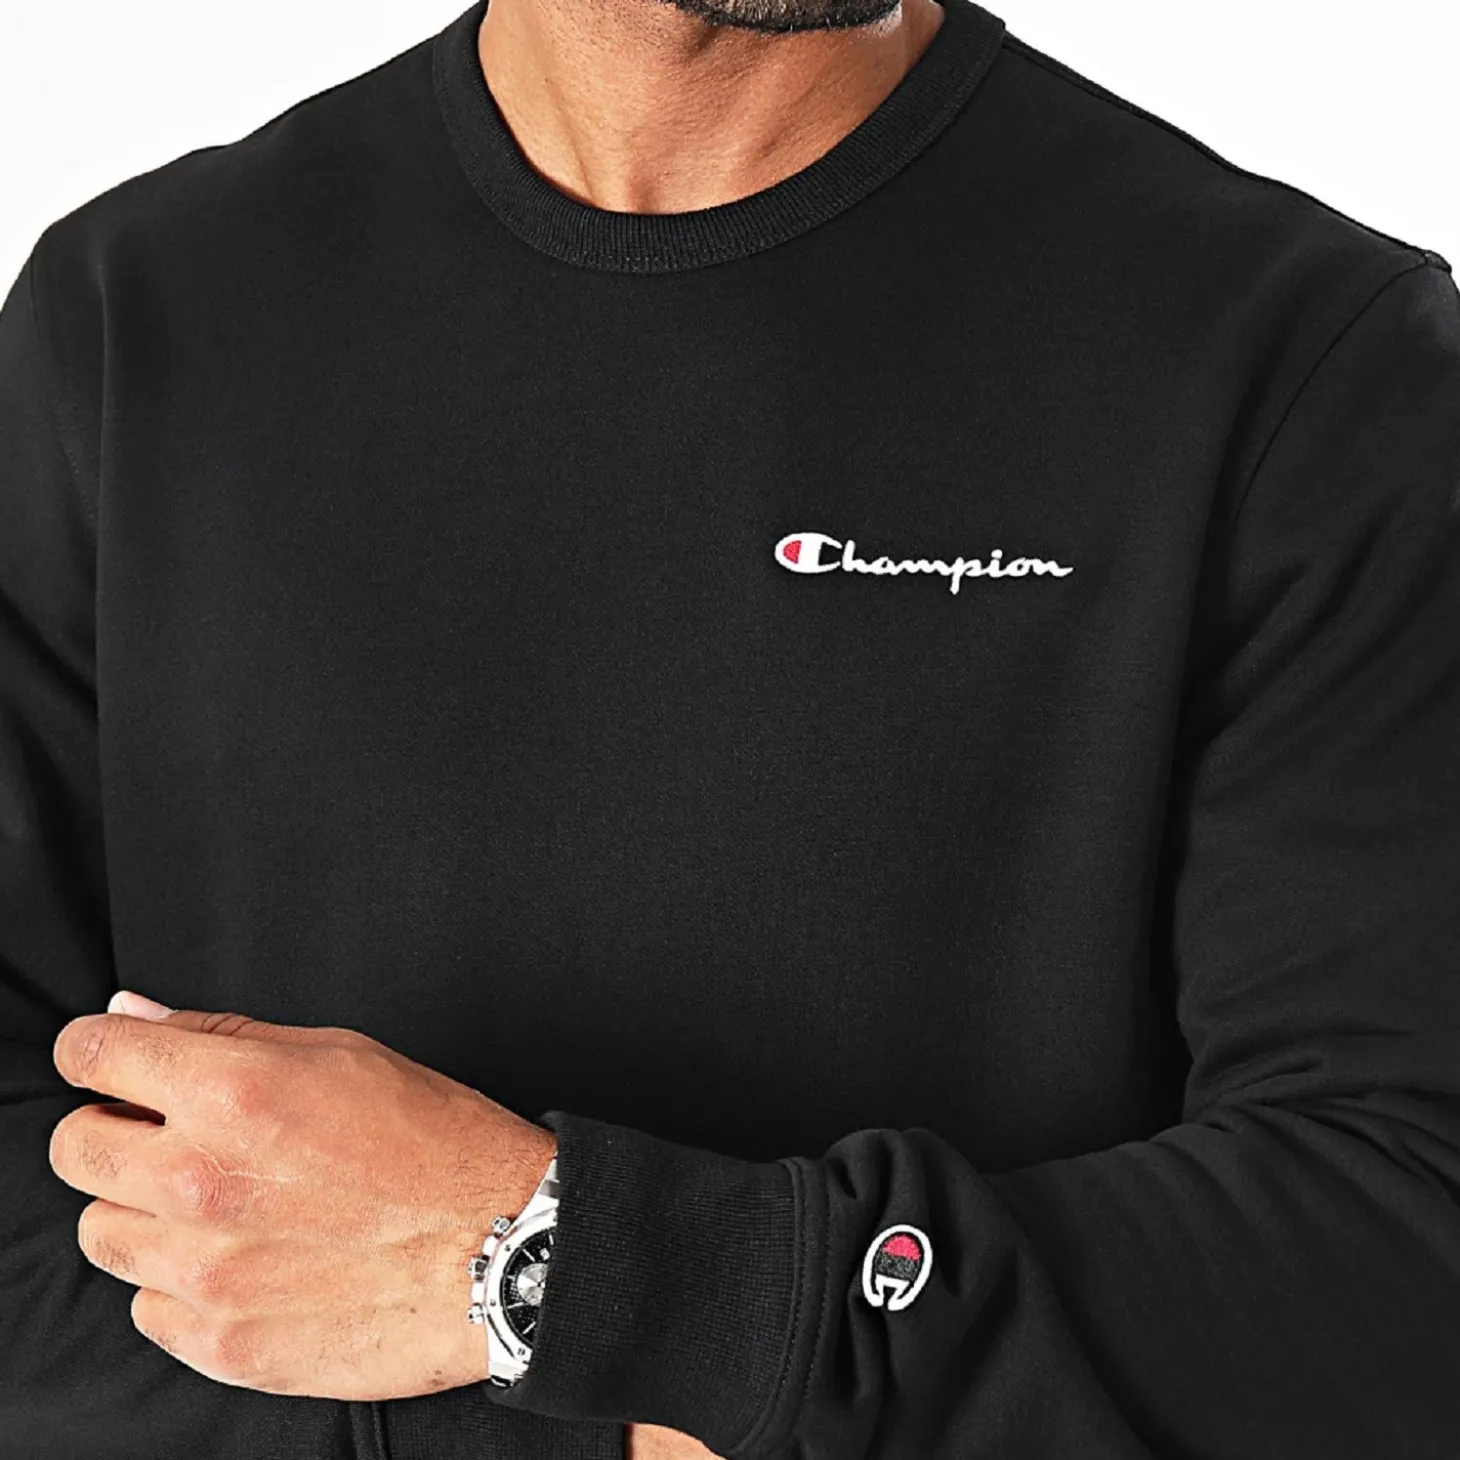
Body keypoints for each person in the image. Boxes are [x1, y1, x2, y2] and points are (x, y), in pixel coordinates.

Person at [2, 0, 1458, 1456]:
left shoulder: (1309, 363)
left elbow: (1397, 1243)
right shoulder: (132, 320)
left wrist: (573, 1266)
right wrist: (637, 1385)